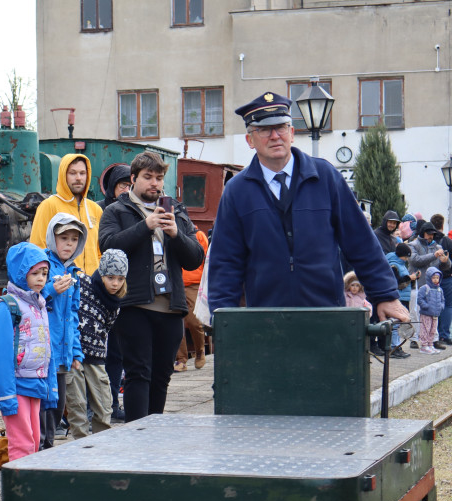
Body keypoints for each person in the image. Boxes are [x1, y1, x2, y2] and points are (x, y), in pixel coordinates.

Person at [208, 92, 407, 325]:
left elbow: (360, 241)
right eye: (264, 130)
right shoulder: (237, 191)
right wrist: (223, 318)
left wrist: (385, 295)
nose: (275, 136)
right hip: (265, 321)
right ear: (250, 140)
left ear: (291, 133)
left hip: (327, 317)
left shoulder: (325, 178)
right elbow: (226, 262)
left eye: (281, 127)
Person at [100, 152, 204, 422]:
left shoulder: (176, 210)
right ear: (133, 179)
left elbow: (195, 258)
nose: (154, 183)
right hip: (134, 304)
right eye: (148, 177)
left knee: (162, 374)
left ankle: (155, 431)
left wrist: (176, 235)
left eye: (159, 178)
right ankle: (138, 434)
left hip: (171, 306)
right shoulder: (116, 210)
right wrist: (145, 226)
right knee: (138, 372)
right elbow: (108, 246)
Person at [0, 241, 54, 461]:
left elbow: (48, 348)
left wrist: (50, 388)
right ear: (21, 272)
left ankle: (28, 488)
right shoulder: (7, 307)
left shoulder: (39, 305)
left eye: (44, 273)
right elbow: (0, 355)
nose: (41, 278)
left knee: (33, 442)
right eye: (35, 273)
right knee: (22, 444)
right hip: (17, 385)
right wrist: (6, 395)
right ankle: (18, 491)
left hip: (35, 382)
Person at [66, 249, 128, 438]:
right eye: (110, 277)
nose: (115, 283)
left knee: (104, 405)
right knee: (77, 407)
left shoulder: (115, 303)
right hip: (74, 355)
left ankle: (102, 448)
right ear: (101, 273)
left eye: (120, 278)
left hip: (97, 358)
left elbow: (106, 331)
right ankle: (80, 448)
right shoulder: (82, 284)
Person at [40, 213, 86, 447]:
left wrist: (76, 353)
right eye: (64, 237)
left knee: (58, 406)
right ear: (52, 237)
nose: (69, 243)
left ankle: (47, 445)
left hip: (63, 353)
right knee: (44, 405)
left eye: (74, 239)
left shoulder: (74, 273)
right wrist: (51, 289)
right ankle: (42, 447)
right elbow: (30, 297)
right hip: (43, 350)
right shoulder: (43, 265)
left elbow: (73, 317)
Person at [30, 153, 103, 273]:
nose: (78, 178)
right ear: (63, 175)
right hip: (63, 284)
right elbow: (38, 248)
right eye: (72, 173)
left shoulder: (95, 209)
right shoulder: (49, 205)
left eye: (82, 173)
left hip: (92, 285)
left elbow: (100, 252)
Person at [97, 165, 131, 418]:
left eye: (130, 185)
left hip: (125, 286)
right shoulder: (102, 209)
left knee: (119, 351)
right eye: (122, 185)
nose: (126, 190)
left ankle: (115, 403)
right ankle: (102, 405)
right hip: (103, 286)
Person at [174, 227, 210, 372]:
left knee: (195, 322)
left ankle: (200, 351)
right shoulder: (167, 231)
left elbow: (206, 260)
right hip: (175, 282)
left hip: (194, 284)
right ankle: (180, 360)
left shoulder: (199, 235)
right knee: (176, 323)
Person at [428, 214, 452, 346]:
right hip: (445, 277)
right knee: (448, 305)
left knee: (434, 306)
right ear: (442, 225)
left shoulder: (428, 240)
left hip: (430, 276)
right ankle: (444, 335)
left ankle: (432, 334)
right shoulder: (446, 241)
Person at [386, 242, 416, 358]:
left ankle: (397, 346)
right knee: (395, 324)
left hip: (403, 297)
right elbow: (395, 282)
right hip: (398, 297)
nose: (407, 258)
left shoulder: (401, 264)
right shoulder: (394, 265)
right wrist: (409, 277)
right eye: (406, 256)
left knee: (398, 324)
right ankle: (394, 348)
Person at [417, 267, 445, 354]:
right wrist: (426, 306)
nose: (436, 280)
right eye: (434, 278)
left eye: (437, 278)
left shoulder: (440, 289)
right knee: (425, 329)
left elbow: (442, 300)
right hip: (426, 313)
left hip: (435, 314)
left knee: (433, 330)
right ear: (429, 278)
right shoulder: (424, 288)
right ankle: (424, 345)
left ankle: (430, 344)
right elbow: (420, 299)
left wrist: (441, 306)